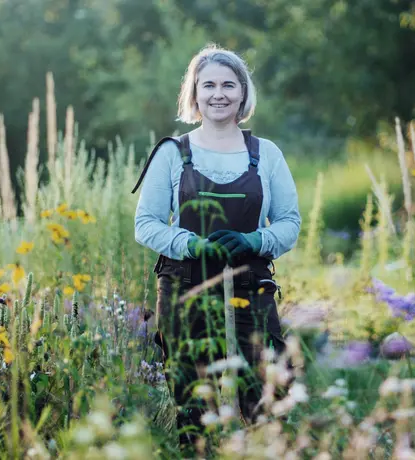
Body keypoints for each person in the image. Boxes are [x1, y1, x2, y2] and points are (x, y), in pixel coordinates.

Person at [131, 43, 301, 448]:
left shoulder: (267, 154)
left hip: (250, 286)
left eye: (228, 85)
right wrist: (190, 245)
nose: (218, 94)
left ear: (243, 93)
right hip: (184, 288)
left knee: (266, 399)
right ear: (194, 93)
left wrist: (254, 239)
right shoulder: (172, 153)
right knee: (194, 408)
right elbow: (146, 224)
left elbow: (290, 223)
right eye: (208, 85)